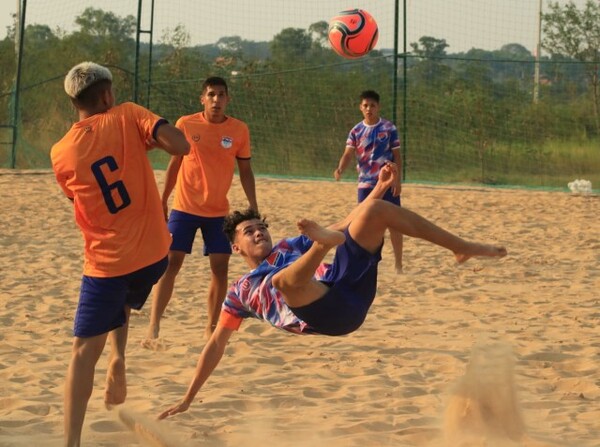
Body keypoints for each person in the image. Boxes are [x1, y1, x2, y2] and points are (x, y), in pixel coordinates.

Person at [158, 162, 507, 419]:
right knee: (281, 282)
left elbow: (345, 223)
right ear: (236, 247)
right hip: (326, 314)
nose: (258, 232)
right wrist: (189, 397)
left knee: (372, 211)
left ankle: (460, 247)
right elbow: (217, 343)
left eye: (261, 227)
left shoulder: (288, 244)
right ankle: (322, 246)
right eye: (248, 231)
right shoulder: (240, 292)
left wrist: (380, 188)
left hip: (347, 288)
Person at [50, 61, 190, 446]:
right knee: (124, 300)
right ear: (108, 95)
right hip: (154, 255)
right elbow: (180, 146)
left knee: (82, 352)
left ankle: (70, 443)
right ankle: (119, 359)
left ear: (74, 102)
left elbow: (74, 196)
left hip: (107, 262)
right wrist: (157, 132)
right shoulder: (128, 115)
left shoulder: (60, 153)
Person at [145, 76, 259, 341]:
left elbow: (246, 170)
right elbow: (174, 165)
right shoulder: (186, 124)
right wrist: (163, 199)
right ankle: (154, 324)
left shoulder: (239, 130)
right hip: (184, 208)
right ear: (202, 99)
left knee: (220, 269)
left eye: (221, 95)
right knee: (171, 263)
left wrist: (253, 205)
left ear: (228, 99)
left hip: (218, 212)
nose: (216, 100)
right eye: (211, 95)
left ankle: (210, 328)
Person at [334, 89, 404, 272]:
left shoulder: (389, 128)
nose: (369, 108)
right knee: (364, 224)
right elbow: (348, 154)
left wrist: (398, 180)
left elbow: (397, 156)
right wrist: (340, 168)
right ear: (360, 107)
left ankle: (398, 264)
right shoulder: (356, 131)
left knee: (395, 223)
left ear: (378, 107)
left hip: (388, 182)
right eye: (365, 105)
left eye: (372, 105)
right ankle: (367, 264)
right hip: (366, 185)